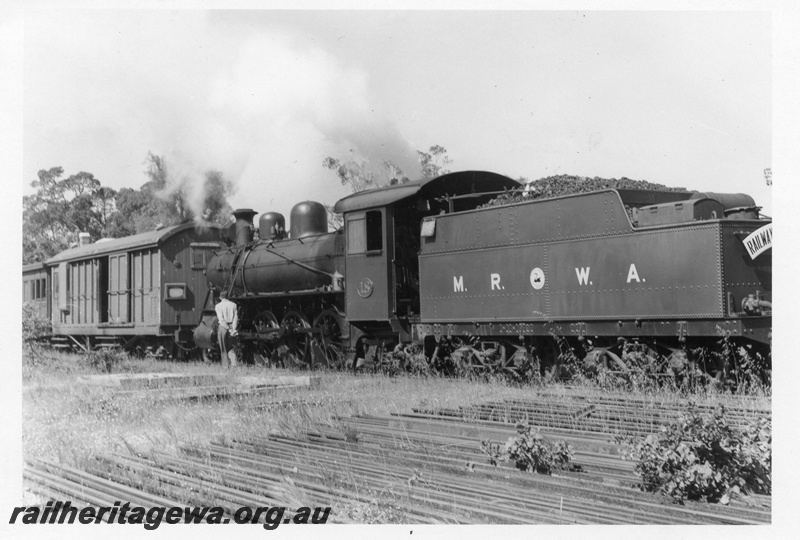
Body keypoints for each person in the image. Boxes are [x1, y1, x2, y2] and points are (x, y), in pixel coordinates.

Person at [215, 289, 239, 368]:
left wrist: (228, 329)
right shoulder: (234, 305)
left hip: (223, 327)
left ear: (220, 297)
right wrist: (233, 329)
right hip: (232, 326)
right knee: (231, 348)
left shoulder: (218, 306)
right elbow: (236, 318)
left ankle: (225, 367)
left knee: (223, 348)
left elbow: (221, 319)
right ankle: (234, 364)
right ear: (227, 296)